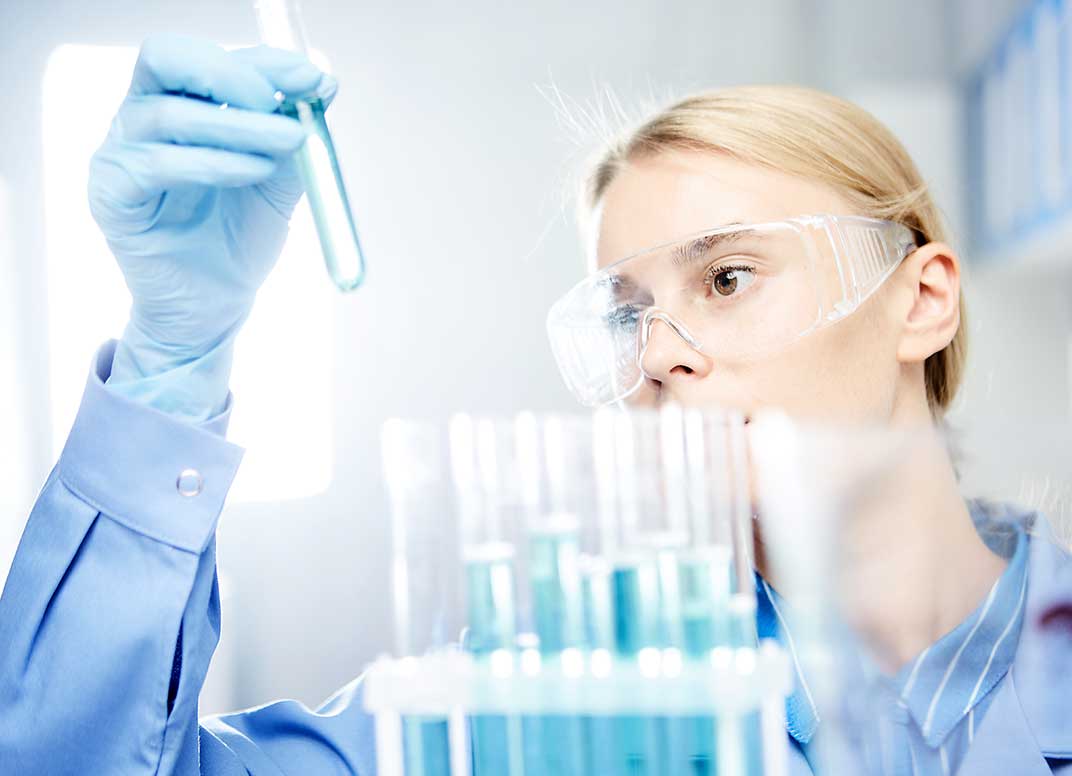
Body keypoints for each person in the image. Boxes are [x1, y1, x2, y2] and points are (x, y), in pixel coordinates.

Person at [0, 32, 1068, 776]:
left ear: (920, 301)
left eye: (728, 279)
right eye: (623, 315)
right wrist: (168, 365)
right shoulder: (555, 695)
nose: (657, 354)